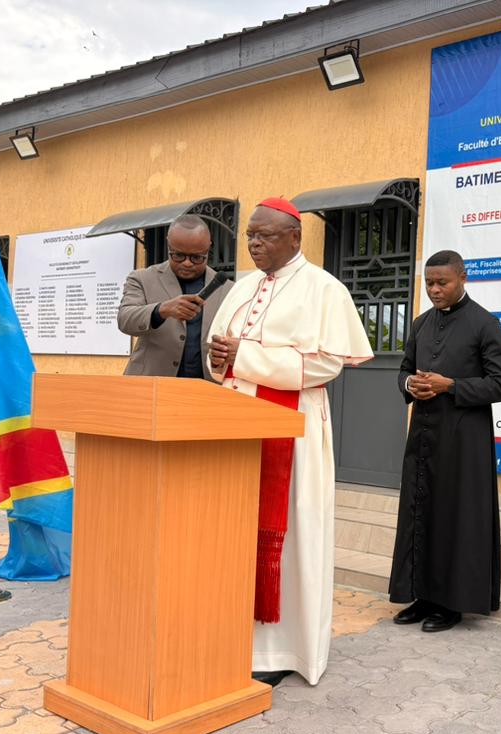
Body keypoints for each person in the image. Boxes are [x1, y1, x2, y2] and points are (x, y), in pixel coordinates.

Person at [206, 197, 373, 686]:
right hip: (235, 428)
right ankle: (231, 635)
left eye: (266, 235)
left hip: (292, 428)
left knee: (293, 532)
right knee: (234, 531)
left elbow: (326, 364)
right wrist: (223, 359)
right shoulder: (241, 287)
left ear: (294, 238)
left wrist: (246, 356)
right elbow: (220, 354)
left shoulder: (324, 289)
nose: (255, 243)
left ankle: (281, 651)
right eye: (250, 236)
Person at [388, 250, 501, 632]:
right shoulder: (422, 324)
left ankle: (451, 604)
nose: (435, 290)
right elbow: (404, 369)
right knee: (421, 513)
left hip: (464, 441)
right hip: (424, 435)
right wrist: (412, 384)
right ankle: (421, 595)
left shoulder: (484, 323)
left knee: (454, 518)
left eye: (442, 282)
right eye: (429, 283)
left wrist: (451, 386)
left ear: (463, 277)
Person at [117, 214, 232, 380]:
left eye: (196, 257)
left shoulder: (227, 289)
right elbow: (125, 319)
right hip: (151, 386)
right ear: (168, 243)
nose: (186, 263)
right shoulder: (141, 278)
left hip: (206, 389)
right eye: (178, 255)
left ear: (208, 247)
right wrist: (161, 310)